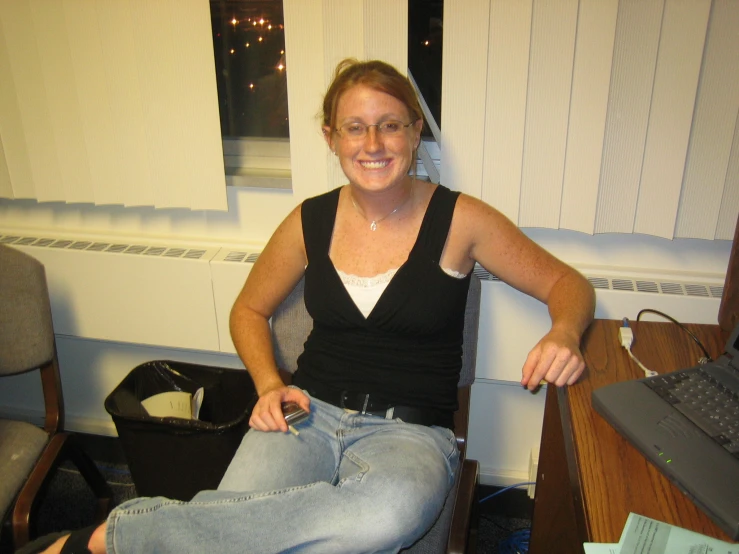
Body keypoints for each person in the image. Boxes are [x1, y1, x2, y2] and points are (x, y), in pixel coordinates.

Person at [34, 58, 594, 554]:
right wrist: (269, 386)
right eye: (355, 127)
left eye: (390, 124)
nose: (372, 143)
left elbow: (568, 284)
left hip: (411, 433)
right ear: (332, 138)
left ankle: (123, 537)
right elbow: (248, 310)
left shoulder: (462, 219)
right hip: (305, 412)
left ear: (415, 131)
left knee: (382, 518)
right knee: (247, 517)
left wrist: (564, 332)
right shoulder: (310, 219)